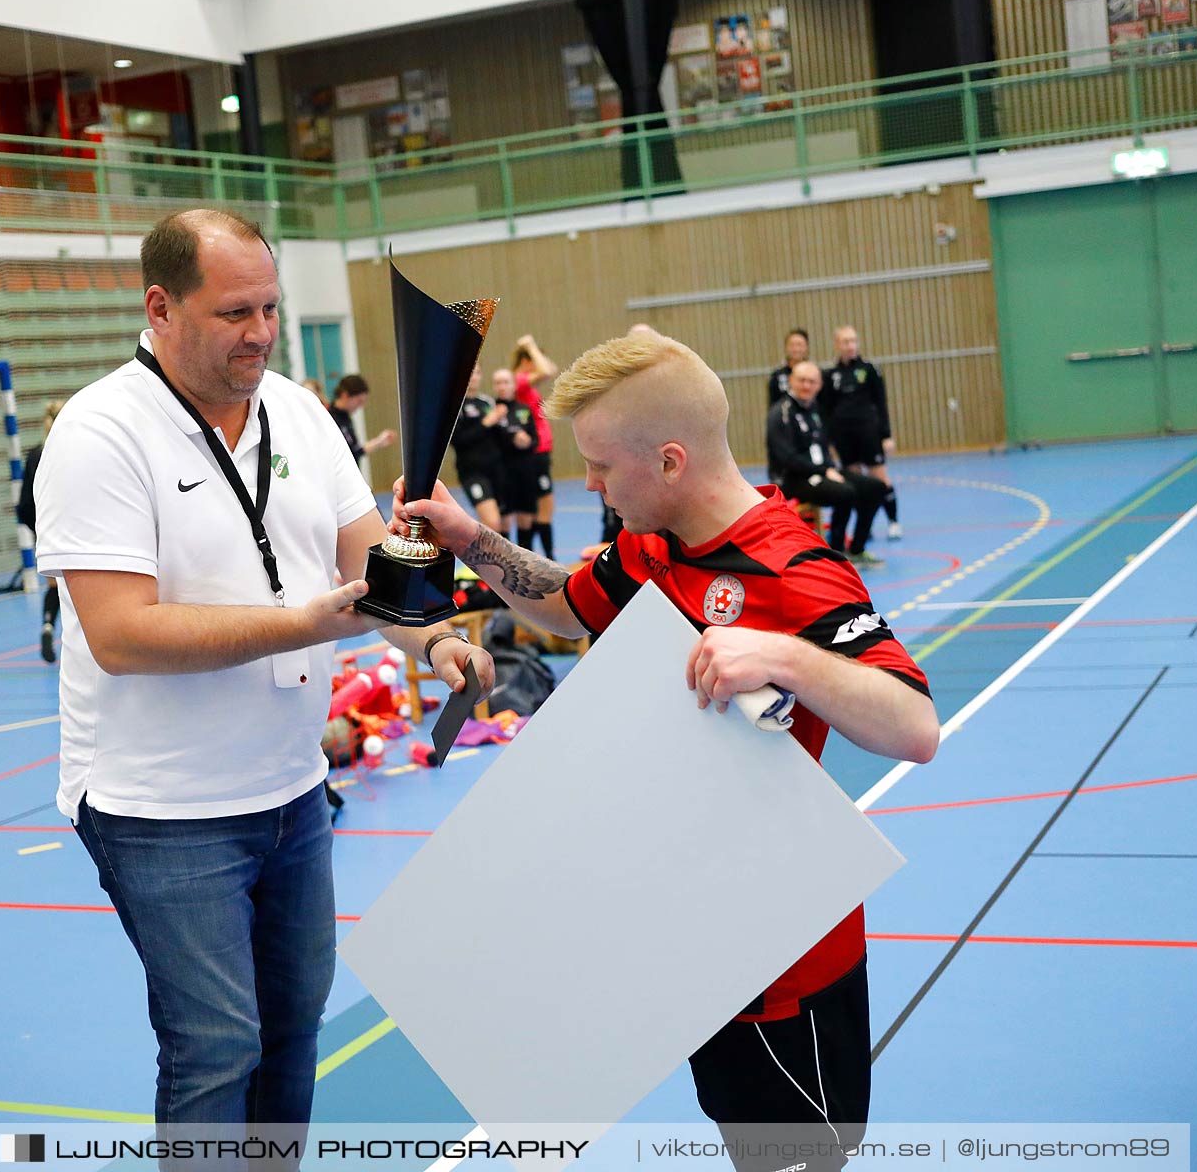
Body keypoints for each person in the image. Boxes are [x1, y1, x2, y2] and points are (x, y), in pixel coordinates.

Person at [397, 327, 940, 1171]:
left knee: (804, 1158)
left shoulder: (796, 569)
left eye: (604, 466)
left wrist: (785, 654)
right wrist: (468, 538)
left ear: (672, 462)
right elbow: (565, 605)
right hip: (687, 934)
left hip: (787, 957)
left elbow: (915, 726)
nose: (590, 482)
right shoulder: (653, 547)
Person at [34, 208, 493, 1149]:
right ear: (159, 308)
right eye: (234, 311)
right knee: (215, 1046)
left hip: (292, 793)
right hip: (160, 806)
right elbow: (121, 634)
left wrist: (434, 640)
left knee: (291, 1035)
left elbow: (370, 570)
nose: (261, 332)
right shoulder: (100, 432)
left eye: (271, 308)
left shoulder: (297, 410)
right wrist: (300, 621)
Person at [768, 362, 890, 566]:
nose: (806, 386)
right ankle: (836, 553)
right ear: (791, 381)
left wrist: (829, 468)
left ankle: (857, 549)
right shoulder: (781, 413)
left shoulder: (815, 410)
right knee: (845, 492)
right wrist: (825, 470)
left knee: (876, 488)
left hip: (822, 472)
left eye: (812, 382)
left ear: (819, 385)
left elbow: (822, 447)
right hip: (793, 478)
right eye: (802, 380)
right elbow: (786, 458)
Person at [822, 326, 899, 541]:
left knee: (880, 478)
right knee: (854, 481)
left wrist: (886, 435)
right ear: (837, 345)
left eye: (853, 341)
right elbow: (826, 410)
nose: (850, 346)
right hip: (844, 436)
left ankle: (893, 521)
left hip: (869, 433)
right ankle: (865, 527)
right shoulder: (830, 375)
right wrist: (829, 441)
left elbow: (881, 403)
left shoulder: (870, 369)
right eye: (845, 342)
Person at [16, 398, 67, 663]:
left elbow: (24, 504)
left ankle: (48, 625)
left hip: (46, 532)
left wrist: (39, 529)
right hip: (72, 530)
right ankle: (75, 641)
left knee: (55, 587)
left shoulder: (36, 454)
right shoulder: (72, 451)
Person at [509, 334, 559, 559]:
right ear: (527, 361)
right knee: (543, 507)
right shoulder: (518, 380)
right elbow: (547, 371)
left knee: (542, 508)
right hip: (534, 454)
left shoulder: (525, 382)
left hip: (541, 452)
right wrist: (529, 345)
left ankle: (543, 557)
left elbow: (551, 368)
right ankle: (547, 558)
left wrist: (532, 349)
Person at [449, 363, 507, 536]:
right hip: (472, 472)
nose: (474, 377)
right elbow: (457, 440)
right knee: (492, 522)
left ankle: (500, 562)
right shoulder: (455, 405)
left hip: (496, 469)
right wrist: (485, 423)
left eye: (478, 373)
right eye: (470, 372)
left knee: (504, 524)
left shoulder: (486, 402)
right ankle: (482, 561)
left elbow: (498, 437)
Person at [490, 366, 540, 548]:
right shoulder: (492, 411)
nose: (502, 386)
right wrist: (512, 440)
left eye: (506, 382)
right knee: (504, 520)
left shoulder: (523, 409)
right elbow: (489, 440)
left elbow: (535, 439)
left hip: (525, 470)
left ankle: (527, 561)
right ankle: (504, 567)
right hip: (502, 472)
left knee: (526, 518)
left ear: (513, 385)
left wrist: (527, 442)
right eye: (498, 383)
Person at [326, 373, 395, 466]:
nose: (360, 406)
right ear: (345, 395)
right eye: (359, 401)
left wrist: (380, 441)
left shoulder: (345, 417)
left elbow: (356, 450)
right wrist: (379, 441)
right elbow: (351, 453)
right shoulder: (331, 419)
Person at [767, 328, 810, 405]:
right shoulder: (777, 375)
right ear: (786, 347)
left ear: (806, 347)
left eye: (799, 345)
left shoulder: (815, 374)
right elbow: (772, 404)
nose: (796, 349)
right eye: (792, 345)